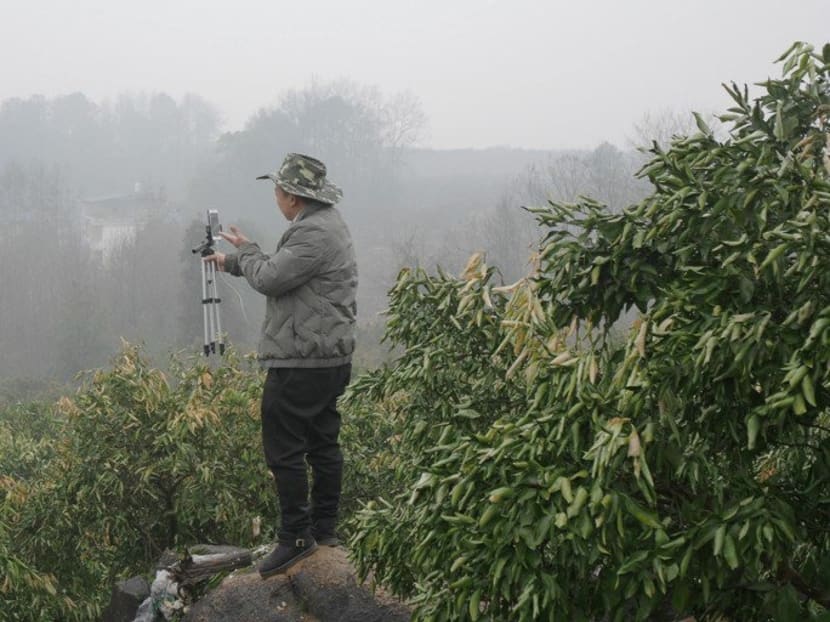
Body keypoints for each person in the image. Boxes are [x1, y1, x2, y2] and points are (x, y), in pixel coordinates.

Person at [204, 153, 358, 577]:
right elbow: (281, 269)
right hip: (328, 357)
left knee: (284, 447)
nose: (275, 198)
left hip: (302, 361)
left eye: (277, 190)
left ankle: (296, 538)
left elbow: (271, 278)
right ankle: (324, 530)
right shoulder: (327, 224)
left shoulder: (312, 233)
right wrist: (235, 258)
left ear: (292, 196)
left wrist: (248, 252)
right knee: (323, 441)